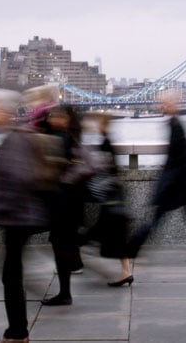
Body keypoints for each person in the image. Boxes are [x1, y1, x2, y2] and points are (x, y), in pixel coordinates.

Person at [0, 89, 58, 343]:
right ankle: (17, 329)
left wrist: (3, 209)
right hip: (18, 216)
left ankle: (17, 332)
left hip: (18, 217)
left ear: (3, 111)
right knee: (10, 271)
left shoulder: (13, 140)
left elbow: (21, 178)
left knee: (10, 274)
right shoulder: (13, 137)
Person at [126, 92, 186, 262]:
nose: (164, 106)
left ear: (173, 105)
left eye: (166, 103)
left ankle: (133, 246)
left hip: (176, 183)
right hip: (181, 182)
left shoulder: (176, 125)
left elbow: (185, 154)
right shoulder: (174, 123)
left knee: (157, 216)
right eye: (163, 103)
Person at [41, 105, 95, 306]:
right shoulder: (70, 137)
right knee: (61, 243)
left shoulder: (62, 139)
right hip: (68, 201)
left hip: (63, 201)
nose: (51, 117)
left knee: (60, 243)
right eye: (51, 115)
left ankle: (65, 293)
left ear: (67, 119)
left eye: (57, 115)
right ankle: (66, 289)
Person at [82, 113, 133, 287]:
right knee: (116, 237)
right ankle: (126, 271)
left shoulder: (105, 143)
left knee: (92, 235)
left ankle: (70, 262)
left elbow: (100, 169)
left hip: (108, 198)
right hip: (114, 197)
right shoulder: (108, 140)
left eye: (98, 123)